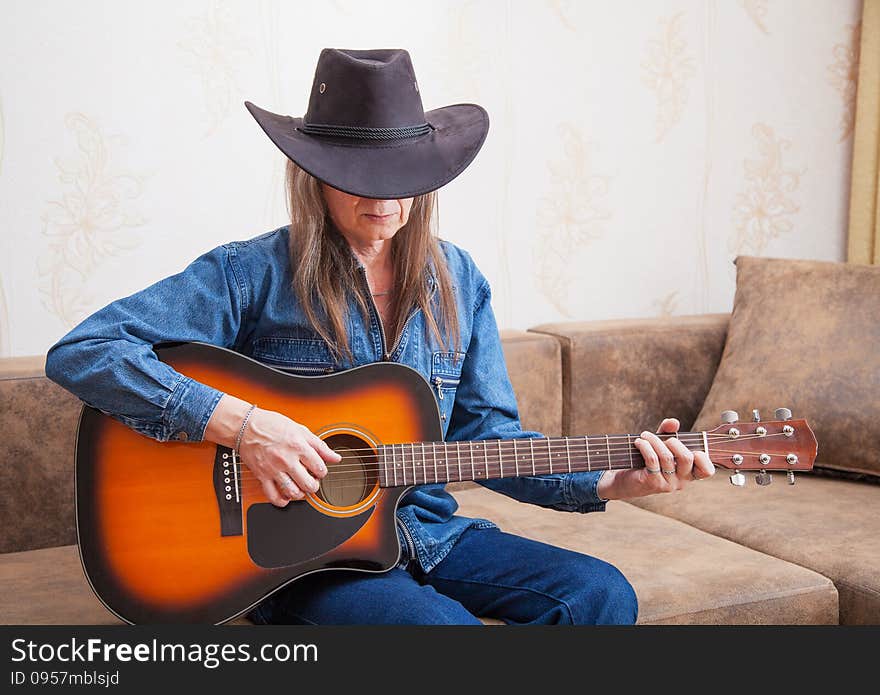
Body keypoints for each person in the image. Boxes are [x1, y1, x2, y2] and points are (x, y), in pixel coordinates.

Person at [45, 48, 715, 625]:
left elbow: (488, 438)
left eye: (402, 174)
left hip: (432, 532)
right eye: (361, 174)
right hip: (302, 559)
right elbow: (86, 349)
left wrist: (610, 482)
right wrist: (245, 426)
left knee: (602, 595)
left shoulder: (459, 279)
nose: (385, 198)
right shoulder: (250, 272)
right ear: (314, 172)